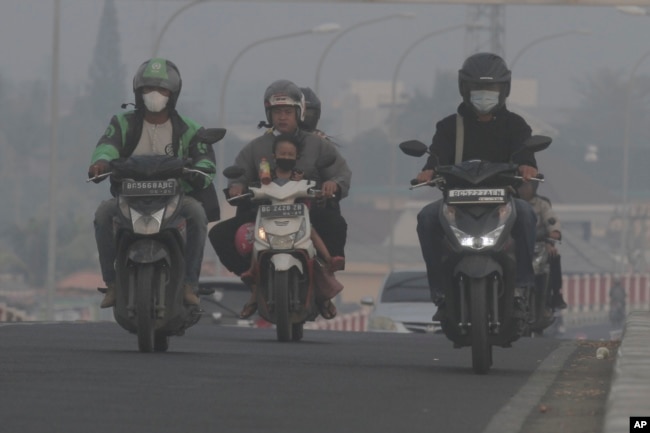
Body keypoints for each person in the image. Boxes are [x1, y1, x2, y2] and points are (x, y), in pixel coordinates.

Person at [209, 79, 350, 316]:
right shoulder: (255, 148)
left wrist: (332, 184)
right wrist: (236, 186)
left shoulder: (318, 145)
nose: (282, 117)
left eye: (287, 111)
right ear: (269, 114)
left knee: (336, 223)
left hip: (308, 211)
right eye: (276, 112)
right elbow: (239, 174)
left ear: (299, 112)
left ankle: (325, 281)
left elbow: (340, 172)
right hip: (262, 213)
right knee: (219, 234)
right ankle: (253, 282)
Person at [414, 52, 539, 320]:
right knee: (425, 218)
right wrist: (428, 171)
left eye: (491, 89)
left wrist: (528, 167)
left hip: (502, 201)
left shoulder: (516, 125)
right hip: (457, 202)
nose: (485, 95)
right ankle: (440, 293)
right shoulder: (449, 126)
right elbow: (436, 156)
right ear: (465, 90)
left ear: (503, 91)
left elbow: (525, 154)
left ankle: (520, 287)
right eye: (478, 89)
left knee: (528, 214)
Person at [88, 58, 219, 308]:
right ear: (138, 92)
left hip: (176, 199)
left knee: (197, 214)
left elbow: (205, 159)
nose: (154, 95)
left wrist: (200, 170)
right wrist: (101, 163)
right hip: (129, 199)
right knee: (103, 214)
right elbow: (107, 146)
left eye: (162, 89)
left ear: (173, 94)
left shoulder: (189, 128)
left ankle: (189, 283)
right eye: (148, 89)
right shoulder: (123, 123)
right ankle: (113, 283)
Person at [237, 133, 341, 319]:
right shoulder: (265, 177)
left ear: (297, 156)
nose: (285, 157)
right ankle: (254, 283)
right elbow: (250, 189)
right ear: (274, 155)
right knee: (255, 241)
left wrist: (321, 192)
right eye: (282, 153)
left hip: (297, 220)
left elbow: (314, 190)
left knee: (313, 237)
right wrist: (243, 191)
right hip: (269, 222)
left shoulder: (301, 177)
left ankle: (328, 262)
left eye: (290, 154)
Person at [517, 178, 568, 310]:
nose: (524, 189)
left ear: (534, 187)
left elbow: (551, 220)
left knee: (553, 257)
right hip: (515, 247)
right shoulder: (511, 204)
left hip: (538, 245)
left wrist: (554, 232)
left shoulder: (541, 204)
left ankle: (556, 295)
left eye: (527, 185)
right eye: (521, 185)